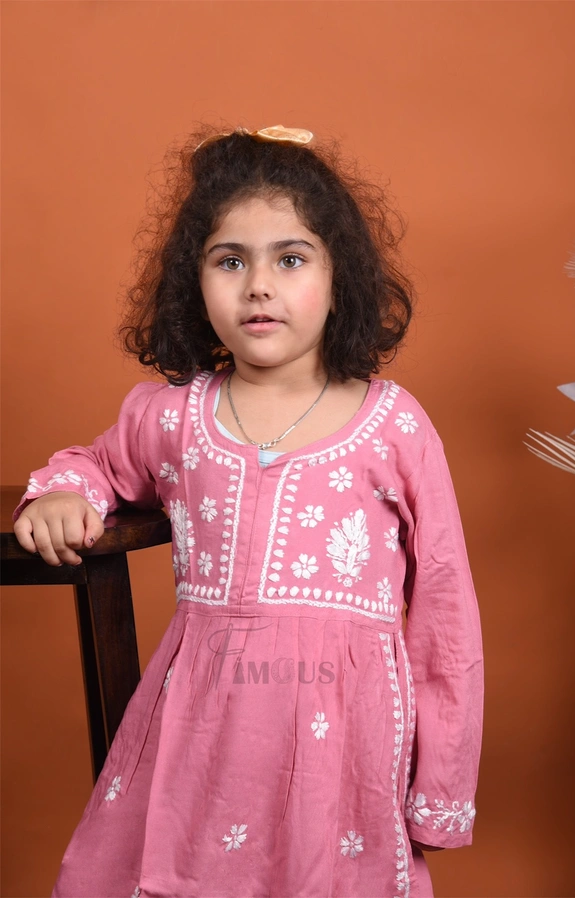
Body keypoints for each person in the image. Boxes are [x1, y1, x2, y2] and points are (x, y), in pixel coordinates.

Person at [13, 124, 484, 898]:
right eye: (230, 261)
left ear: (339, 278)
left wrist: (442, 788)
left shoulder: (395, 426)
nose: (258, 285)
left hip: (343, 759)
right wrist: (64, 492)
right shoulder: (172, 416)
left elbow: (446, 611)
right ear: (193, 281)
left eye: (290, 259)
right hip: (196, 747)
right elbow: (96, 465)